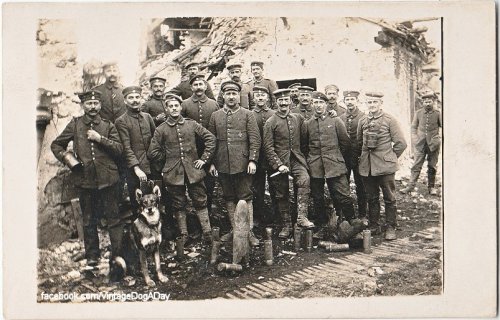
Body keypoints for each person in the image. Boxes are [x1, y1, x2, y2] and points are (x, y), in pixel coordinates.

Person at [50, 90, 126, 281]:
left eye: (95, 103)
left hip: (109, 180)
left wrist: (100, 139)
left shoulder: (108, 125)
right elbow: (56, 145)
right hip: (85, 181)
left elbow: (119, 149)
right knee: (89, 221)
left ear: (100, 105)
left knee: (114, 220)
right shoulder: (75, 124)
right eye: (89, 103)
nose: (92, 107)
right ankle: (92, 260)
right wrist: (69, 160)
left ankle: (117, 258)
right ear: (83, 105)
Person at [148, 94, 216, 243]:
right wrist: (169, 160)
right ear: (166, 109)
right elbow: (152, 152)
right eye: (170, 106)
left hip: (194, 171)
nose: (173, 108)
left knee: (200, 199)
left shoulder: (191, 124)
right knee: (178, 203)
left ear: (180, 107)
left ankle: (207, 233)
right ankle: (184, 235)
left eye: (176, 106)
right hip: (173, 173)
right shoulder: (161, 129)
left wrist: (203, 159)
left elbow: (210, 139)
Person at [208, 81, 261, 246]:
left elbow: (255, 139)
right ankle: (235, 230)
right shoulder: (215, 116)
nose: (231, 97)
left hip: (243, 164)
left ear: (239, 96)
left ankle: (249, 231)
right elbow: (211, 142)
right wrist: (211, 163)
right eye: (228, 94)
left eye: (234, 94)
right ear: (223, 96)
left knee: (245, 197)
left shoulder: (247, 114)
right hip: (223, 163)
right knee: (229, 197)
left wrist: (252, 160)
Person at [302, 92, 355, 238]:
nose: (318, 106)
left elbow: (345, 144)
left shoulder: (336, 121)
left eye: (321, 103)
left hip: (334, 164)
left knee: (342, 194)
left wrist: (338, 159)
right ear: (312, 104)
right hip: (315, 165)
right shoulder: (308, 124)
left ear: (326, 104)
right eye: (315, 103)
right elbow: (305, 146)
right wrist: (311, 161)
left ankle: (351, 223)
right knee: (318, 198)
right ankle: (322, 226)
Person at [263, 88, 315, 239]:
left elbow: (305, 140)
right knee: (281, 192)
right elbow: (268, 146)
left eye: (286, 100)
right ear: (276, 102)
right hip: (279, 162)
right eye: (280, 101)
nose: (284, 103)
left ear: (291, 102)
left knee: (304, 179)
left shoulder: (297, 118)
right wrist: (278, 164)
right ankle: (286, 225)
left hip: (296, 159)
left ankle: (301, 218)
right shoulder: (271, 122)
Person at [357, 92, 407, 240]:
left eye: (375, 102)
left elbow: (401, 143)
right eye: (369, 102)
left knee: (389, 197)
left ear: (380, 103)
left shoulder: (390, 120)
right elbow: (359, 142)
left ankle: (391, 226)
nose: (372, 105)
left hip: (385, 167)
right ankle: (374, 225)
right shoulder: (363, 120)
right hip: (368, 166)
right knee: (371, 197)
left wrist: (390, 158)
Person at [114, 86, 157, 216]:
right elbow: (126, 148)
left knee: (155, 199)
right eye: (131, 98)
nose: (135, 100)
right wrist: (136, 168)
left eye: (137, 97)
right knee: (139, 203)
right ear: (125, 101)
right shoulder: (121, 121)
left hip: (153, 166)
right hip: (135, 170)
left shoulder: (147, 117)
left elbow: (156, 140)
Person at [181, 73, 220, 214]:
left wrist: (213, 159)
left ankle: (208, 214)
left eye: (201, 84)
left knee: (210, 184)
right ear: (191, 87)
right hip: (192, 150)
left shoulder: (214, 104)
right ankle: (196, 215)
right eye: (195, 85)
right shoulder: (185, 104)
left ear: (205, 86)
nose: (198, 87)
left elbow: (216, 131)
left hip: (210, 150)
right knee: (195, 185)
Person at [401, 90, 442, 195]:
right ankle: (410, 186)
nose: (427, 103)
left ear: (433, 101)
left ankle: (431, 187)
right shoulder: (418, 113)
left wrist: (438, 138)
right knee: (416, 165)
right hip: (420, 144)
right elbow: (414, 127)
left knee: (432, 166)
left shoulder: (438, 113)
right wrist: (415, 139)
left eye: (429, 101)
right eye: (425, 102)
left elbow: (443, 127)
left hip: (433, 144)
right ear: (422, 102)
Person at [339, 90, 368, 219]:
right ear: (344, 102)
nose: (350, 102)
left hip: (359, 157)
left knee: (361, 185)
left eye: (352, 100)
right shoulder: (340, 118)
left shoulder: (364, 117)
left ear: (357, 101)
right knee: (342, 186)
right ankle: (344, 215)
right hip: (344, 157)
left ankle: (362, 214)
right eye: (347, 100)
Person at [251, 86, 277, 226]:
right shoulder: (250, 115)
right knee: (257, 188)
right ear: (253, 98)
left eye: (263, 95)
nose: (260, 98)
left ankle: (275, 217)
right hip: (257, 157)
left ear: (267, 98)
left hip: (272, 157)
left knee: (275, 187)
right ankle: (258, 216)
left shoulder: (274, 114)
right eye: (257, 95)